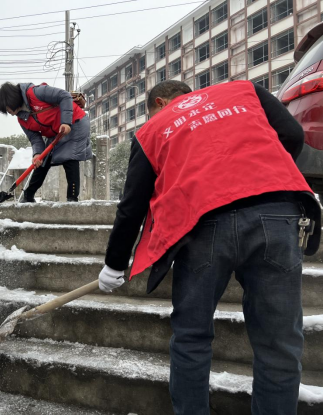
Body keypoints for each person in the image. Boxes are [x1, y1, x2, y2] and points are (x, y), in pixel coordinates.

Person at [99, 80, 321, 415]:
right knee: (279, 344)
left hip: (201, 223)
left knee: (191, 338)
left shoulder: (153, 128)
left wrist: (114, 264)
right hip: (275, 213)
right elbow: (292, 135)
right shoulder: (245, 91)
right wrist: (256, 171)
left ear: (159, 103)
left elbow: (132, 205)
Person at [0, 82, 92, 202]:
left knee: (70, 157)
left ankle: (72, 199)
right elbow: (35, 138)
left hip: (75, 122)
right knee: (42, 160)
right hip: (56, 132)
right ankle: (28, 197)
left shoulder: (35, 92)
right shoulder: (22, 119)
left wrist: (66, 122)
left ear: (11, 99)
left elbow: (64, 96)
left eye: (6, 108)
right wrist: (37, 154)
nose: (8, 112)